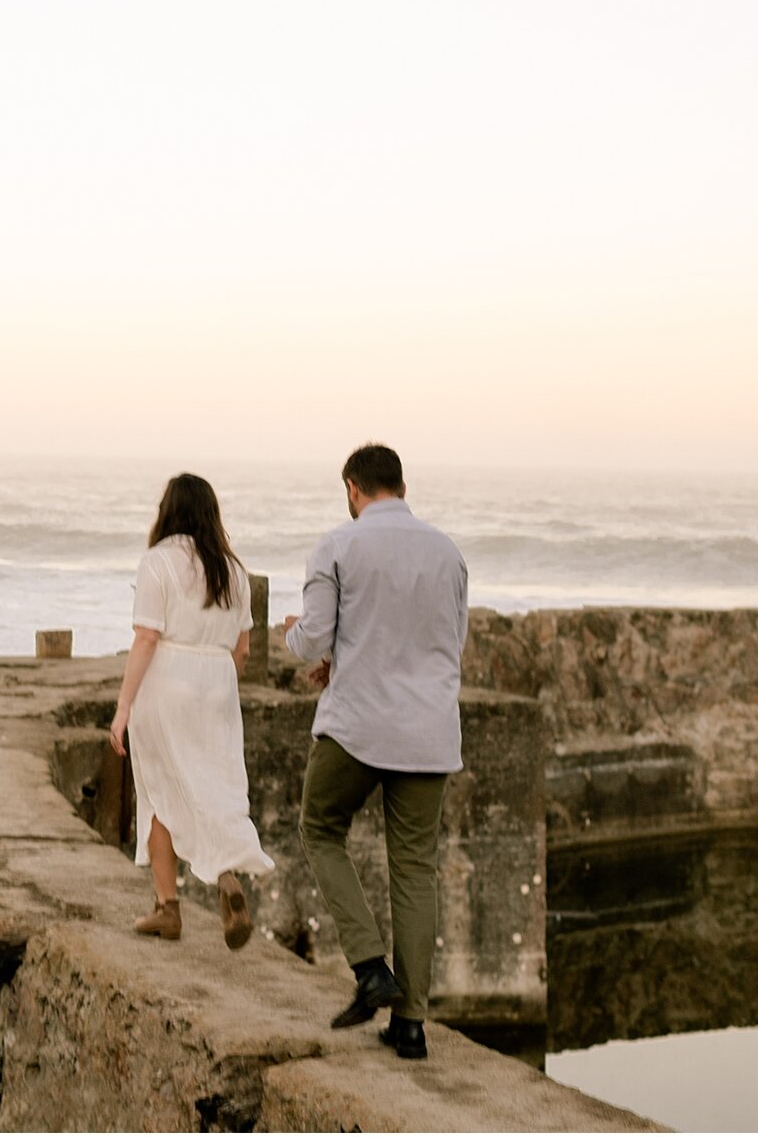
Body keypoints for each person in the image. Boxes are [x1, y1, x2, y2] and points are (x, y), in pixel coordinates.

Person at [281, 442, 468, 1062]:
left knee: (319, 827)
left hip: (358, 726)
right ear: (402, 486)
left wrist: (298, 640)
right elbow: (446, 643)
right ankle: (411, 1025)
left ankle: (368, 967)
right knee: (415, 869)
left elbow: (313, 639)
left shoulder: (339, 544)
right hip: (428, 731)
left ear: (353, 488)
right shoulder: (448, 553)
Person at [108, 473, 274, 949]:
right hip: (217, 684)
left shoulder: (157, 563)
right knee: (211, 788)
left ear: (168, 511)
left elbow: (146, 638)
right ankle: (225, 877)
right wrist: (217, 685)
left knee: (161, 792)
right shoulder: (232, 570)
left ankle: (168, 908)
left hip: (168, 681)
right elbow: (242, 649)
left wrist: (123, 709)